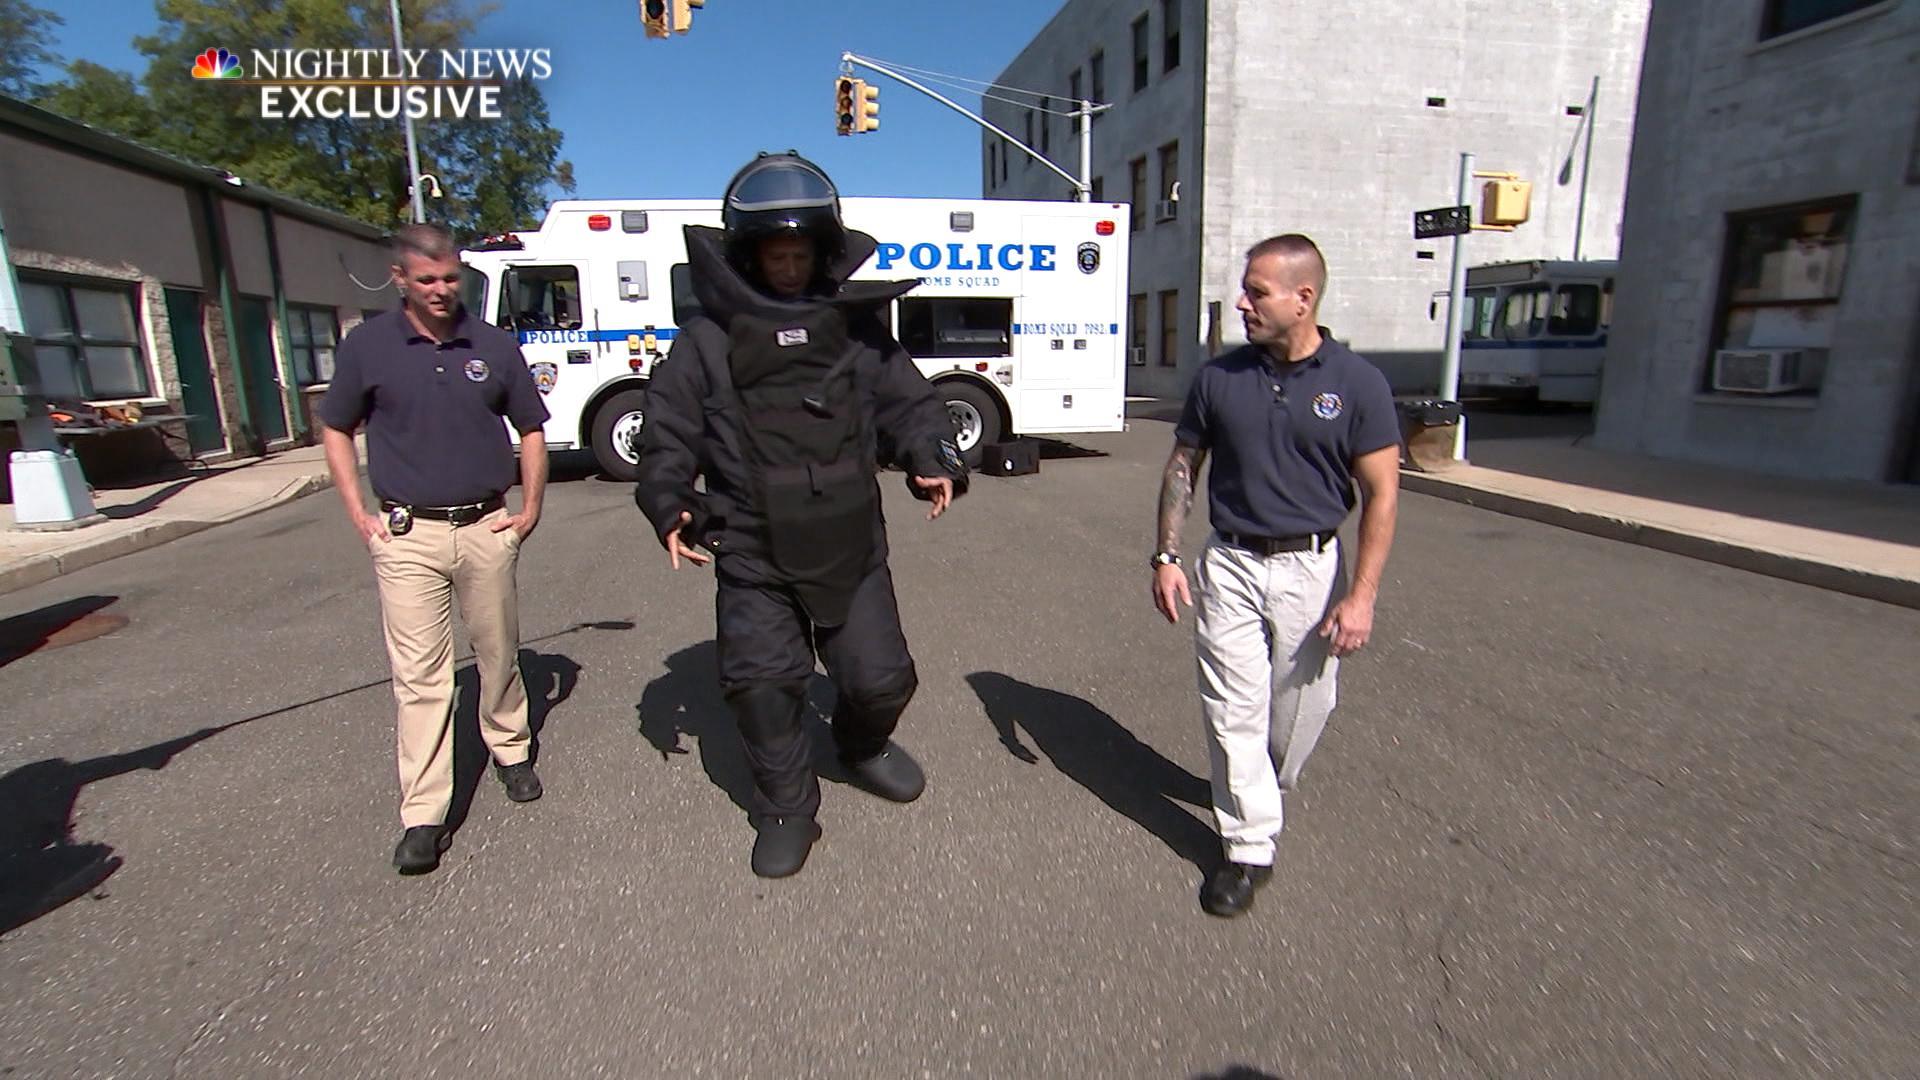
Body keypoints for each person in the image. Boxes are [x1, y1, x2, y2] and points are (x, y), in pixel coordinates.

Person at [635, 151, 968, 879]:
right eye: (774, 255)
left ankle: (861, 745)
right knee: (762, 686)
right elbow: (667, 433)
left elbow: (911, 404)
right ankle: (787, 806)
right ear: (749, 257)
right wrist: (667, 503)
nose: (788, 267)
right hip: (753, 552)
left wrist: (931, 454)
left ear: (821, 254)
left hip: (850, 542)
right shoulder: (705, 342)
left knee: (882, 680)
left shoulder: (856, 332)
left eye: (799, 254)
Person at [1150, 234, 1401, 918]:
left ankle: (1263, 782)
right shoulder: (1219, 378)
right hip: (1229, 562)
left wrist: (1362, 597)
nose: (1243, 303)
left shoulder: (1357, 384)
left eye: (1257, 292)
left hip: (1312, 569)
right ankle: (1247, 846)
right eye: (1246, 288)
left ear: (1303, 298)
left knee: (1298, 711)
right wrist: (1167, 555)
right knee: (1233, 711)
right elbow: (1182, 467)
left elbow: (1382, 494)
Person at [318, 222, 551, 876]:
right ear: (401, 280)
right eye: (427, 280)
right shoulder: (368, 347)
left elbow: (531, 428)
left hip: (484, 527)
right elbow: (335, 427)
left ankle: (510, 749)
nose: (442, 290)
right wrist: (357, 512)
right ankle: (424, 813)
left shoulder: (494, 344)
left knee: (498, 651)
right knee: (421, 680)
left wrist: (529, 508)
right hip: (406, 536)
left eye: (451, 278)